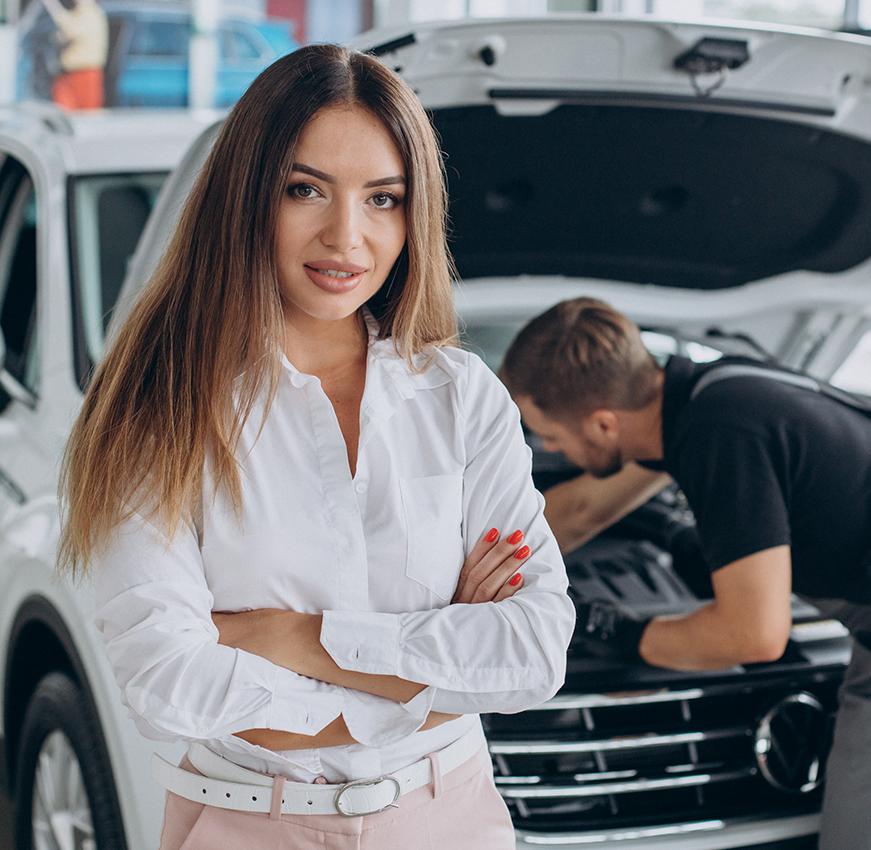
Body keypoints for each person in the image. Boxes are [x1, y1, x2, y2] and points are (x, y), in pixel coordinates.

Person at [57, 45, 573, 849]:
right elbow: (165, 681)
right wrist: (432, 674)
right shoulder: (162, 406)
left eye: (383, 199)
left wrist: (290, 637)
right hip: (250, 823)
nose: (347, 236)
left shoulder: (462, 396)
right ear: (246, 197)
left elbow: (533, 652)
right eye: (306, 190)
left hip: (453, 818)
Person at [500, 297, 871, 850]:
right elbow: (580, 512)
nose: (546, 448)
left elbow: (754, 636)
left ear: (602, 423)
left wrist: (621, 632)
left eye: (546, 435)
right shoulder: (705, 393)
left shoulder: (718, 436)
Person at [41, 0, 107, 110]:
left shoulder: (92, 14)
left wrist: (52, 4)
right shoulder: (78, 14)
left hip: (84, 74)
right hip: (67, 74)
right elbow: (61, 37)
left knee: (86, 117)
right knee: (62, 114)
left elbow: (69, 29)